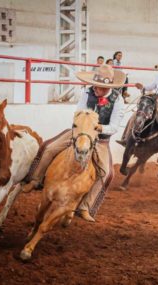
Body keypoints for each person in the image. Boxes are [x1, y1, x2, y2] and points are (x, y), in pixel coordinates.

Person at [23, 64, 126, 222]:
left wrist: (99, 127)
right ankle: (36, 179)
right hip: (79, 133)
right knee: (49, 148)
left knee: (107, 173)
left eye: (102, 88)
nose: (98, 89)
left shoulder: (117, 100)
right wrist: (83, 125)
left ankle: (85, 206)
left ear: (109, 87)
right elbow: (78, 112)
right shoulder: (87, 92)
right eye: (97, 86)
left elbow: (114, 126)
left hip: (100, 139)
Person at [117, 59, 158, 165]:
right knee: (136, 114)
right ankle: (125, 138)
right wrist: (143, 87)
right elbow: (150, 86)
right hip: (154, 102)